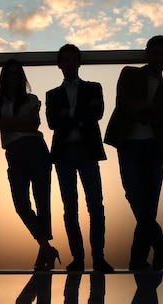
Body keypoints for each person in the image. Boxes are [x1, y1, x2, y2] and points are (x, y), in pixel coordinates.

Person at [104, 35, 163, 271]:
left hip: (154, 149)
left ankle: (137, 260)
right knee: (134, 196)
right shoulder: (130, 74)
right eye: (155, 53)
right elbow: (124, 105)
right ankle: (159, 243)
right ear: (147, 55)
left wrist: (150, 106)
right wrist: (156, 113)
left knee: (148, 206)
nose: (159, 57)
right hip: (129, 144)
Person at [46, 44, 114, 273]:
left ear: (79, 62)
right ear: (60, 64)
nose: (70, 63)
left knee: (95, 205)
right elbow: (53, 123)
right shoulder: (52, 95)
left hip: (87, 152)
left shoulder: (94, 88)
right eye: (66, 60)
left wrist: (70, 113)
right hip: (65, 154)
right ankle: (78, 257)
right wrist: (82, 111)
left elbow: (98, 114)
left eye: (73, 59)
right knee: (70, 207)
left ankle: (98, 257)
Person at [0, 58, 60, 271]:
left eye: (16, 73)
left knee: (42, 200)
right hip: (14, 152)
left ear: (21, 77)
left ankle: (44, 252)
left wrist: (7, 124)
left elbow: (33, 124)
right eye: (9, 73)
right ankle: (47, 247)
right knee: (21, 203)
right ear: (4, 77)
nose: (12, 76)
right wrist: (18, 123)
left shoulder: (31, 98)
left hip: (36, 148)